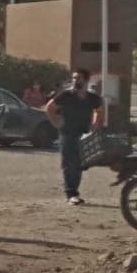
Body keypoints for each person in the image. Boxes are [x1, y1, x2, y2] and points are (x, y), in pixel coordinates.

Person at [45, 67, 103, 205]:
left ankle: (74, 191)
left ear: (87, 80)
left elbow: (100, 111)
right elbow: (50, 107)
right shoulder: (66, 95)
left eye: (79, 78)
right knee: (69, 163)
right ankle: (71, 194)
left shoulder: (92, 97)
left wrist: (95, 125)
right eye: (74, 78)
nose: (75, 80)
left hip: (83, 134)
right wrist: (56, 123)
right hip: (67, 133)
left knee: (79, 164)